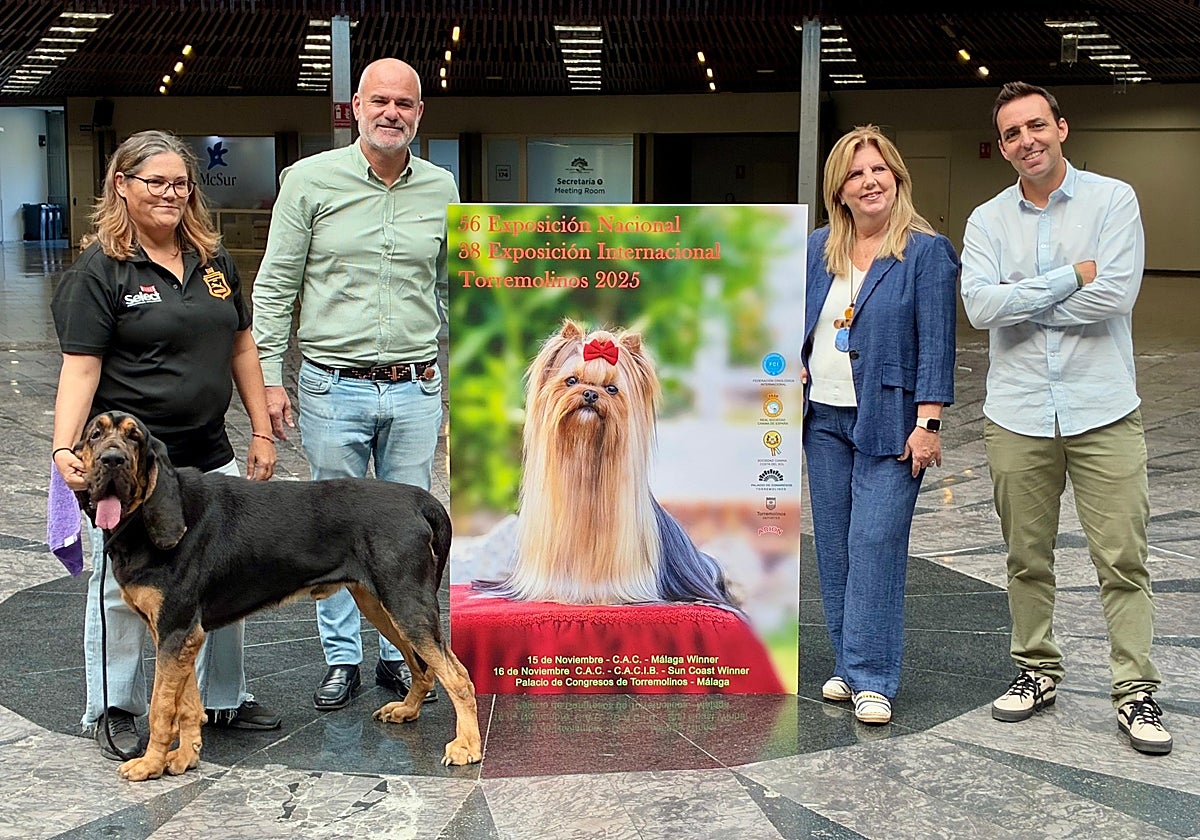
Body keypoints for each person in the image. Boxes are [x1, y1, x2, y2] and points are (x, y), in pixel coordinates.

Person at [50, 129, 282, 761]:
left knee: (224, 577)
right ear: (121, 186)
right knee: (123, 590)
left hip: (209, 456)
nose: (171, 194)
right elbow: (81, 369)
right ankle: (115, 708)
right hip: (135, 467)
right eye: (156, 182)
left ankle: (223, 698)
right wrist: (65, 448)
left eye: (181, 183)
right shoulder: (100, 271)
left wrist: (260, 428)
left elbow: (241, 345)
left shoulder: (212, 259)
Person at [961, 82, 1171, 755]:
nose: (1027, 141)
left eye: (1036, 127)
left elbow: (1115, 294)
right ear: (1001, 149)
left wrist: (1023, 300)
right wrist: (1067, 278)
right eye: (1012, 134)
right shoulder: (986, 220)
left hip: (1104, 409)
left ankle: (1135, 689)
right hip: (1018, 414)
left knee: (1123, 558)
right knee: (1026, 557)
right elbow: (979, 310)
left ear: (1062, 128)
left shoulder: (1113, 201)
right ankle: (1036, 670)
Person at [252, 58, 458, 711]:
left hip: (414, 387)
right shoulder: (310, 182)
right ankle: (342, 659)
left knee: (405, 540)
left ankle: (405, 657)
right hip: (331, 387)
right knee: (335, 533)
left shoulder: (443, 188)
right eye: (379, 101)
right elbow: (276, 285)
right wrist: (265, 379)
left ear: (419, 114)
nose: (391, 112)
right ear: (355, 109)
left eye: (405, 103)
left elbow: (453, 288)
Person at [801, 126, 958, 725]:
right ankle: (848, 664)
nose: (869, 182)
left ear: (897, 179)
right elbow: (800, 325)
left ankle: (873, 677)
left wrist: (930, 421)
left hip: (894, 420)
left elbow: (937, 344)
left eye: (879, 171)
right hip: (825, 423)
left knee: (875, 546)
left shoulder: (925, 251)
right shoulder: (819, 249)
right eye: (856, 174)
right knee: (836, 549)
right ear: (838, 190)